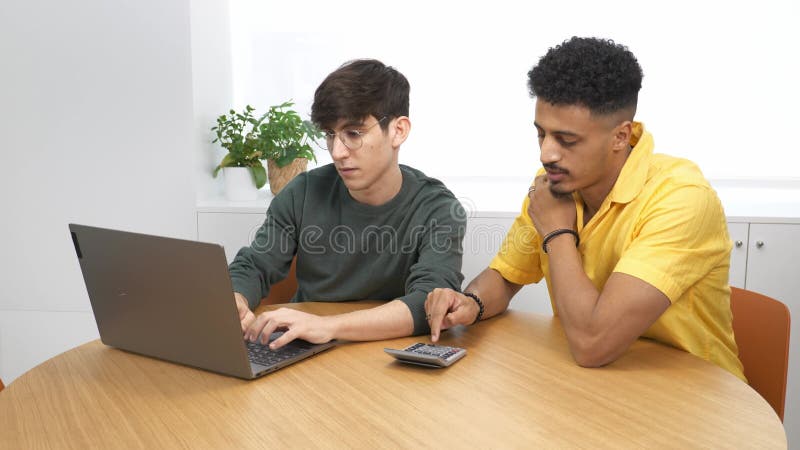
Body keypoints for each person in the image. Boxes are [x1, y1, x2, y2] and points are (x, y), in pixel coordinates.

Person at [425, 37, 745, 381]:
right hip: (599, 388)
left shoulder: (682, 198)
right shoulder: (555, 184)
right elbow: (504, 278)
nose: (546, 154)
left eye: (566, 140)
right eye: (541, 134)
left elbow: (593, 344)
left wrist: (558, 233)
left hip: (698, 404)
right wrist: (471, 302)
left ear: (621, 137)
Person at [230, 59, 466, 350]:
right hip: (299, 347)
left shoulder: (438, 208)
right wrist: (235, 298)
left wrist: (327, 327)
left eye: (353, 134)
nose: (338, 152)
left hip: (381, 355)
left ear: (398, 131)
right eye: (330, 135)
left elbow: (428, 303)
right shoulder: (302, 193)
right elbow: (254, 265)